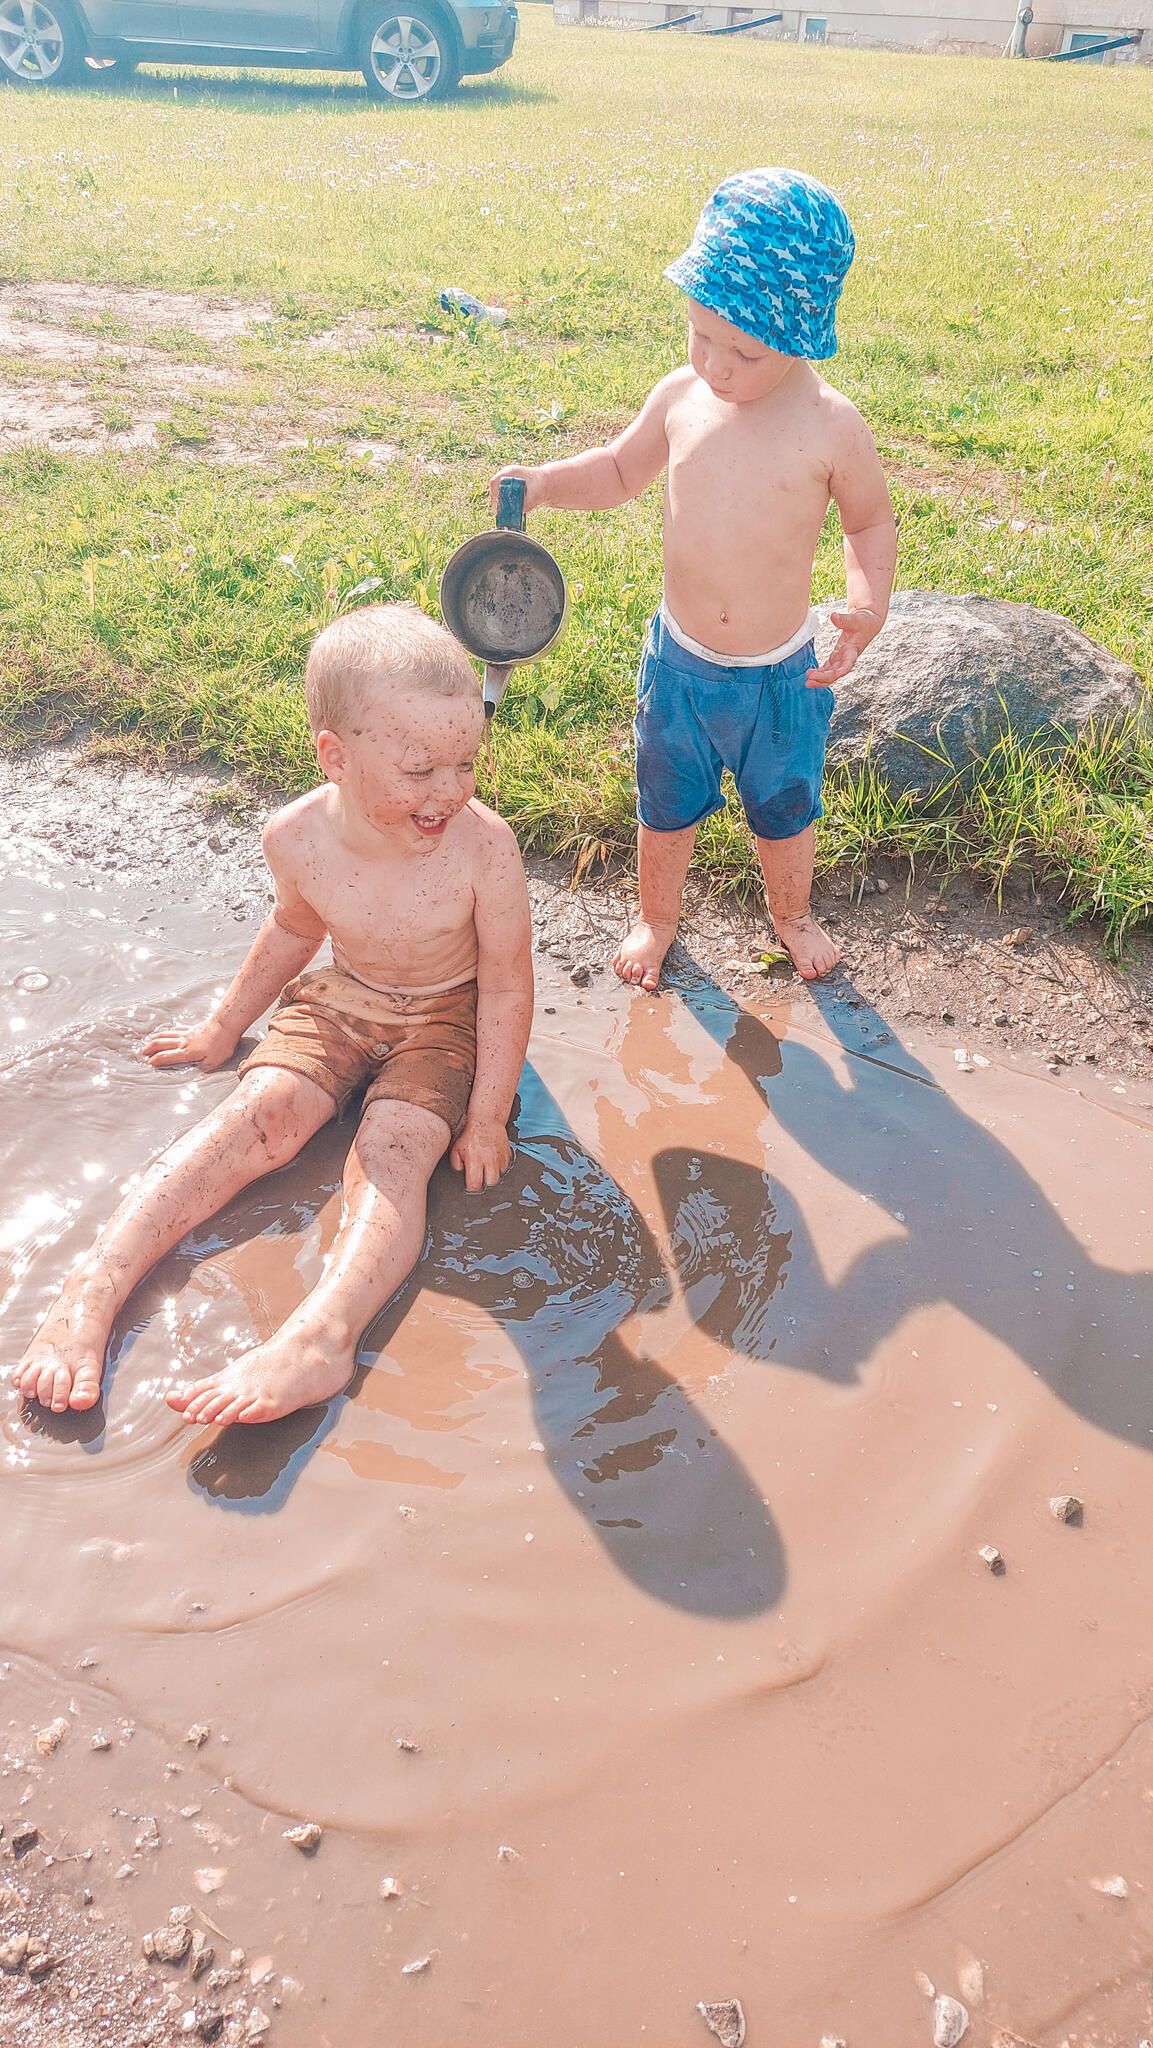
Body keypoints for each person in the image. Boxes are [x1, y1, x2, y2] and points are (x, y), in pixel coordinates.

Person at [11, 604, 534, 1425]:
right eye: (421, 769)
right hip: (345, 997)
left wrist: (488, 1114)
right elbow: (295, 928)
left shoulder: (483, 846)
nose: (450, 791)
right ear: (335, 756)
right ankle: (94, 1286)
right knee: (261, 1115)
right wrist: (225, 1026)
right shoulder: (296, 837)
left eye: (465, 762)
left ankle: (321, 1338)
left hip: (447, 1014)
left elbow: (506, 983)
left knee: (391, 1151)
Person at [492, 166, 897, 988]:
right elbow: (613, 471)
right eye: (698, 334)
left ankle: (791, 914)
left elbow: (868, 521)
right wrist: (542, 484)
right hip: (678, 666)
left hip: (780, 674)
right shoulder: (681, 397)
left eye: (742, 352)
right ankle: (656, 918)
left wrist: (867, 603)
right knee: (664, 805)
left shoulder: (830, 427)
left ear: (802, 334)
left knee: (784, 810)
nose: (714, 364)